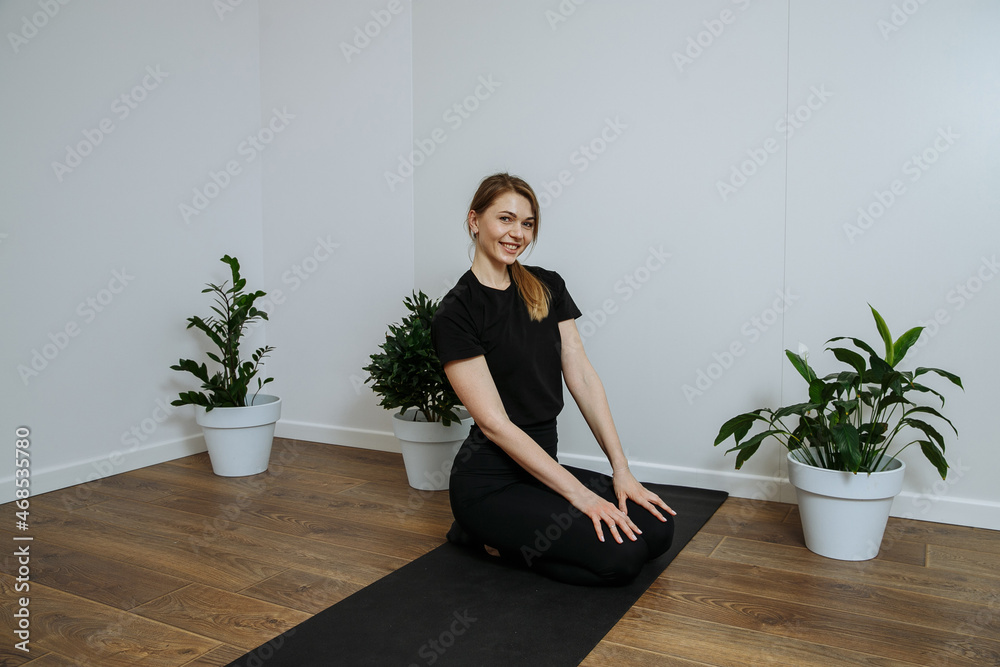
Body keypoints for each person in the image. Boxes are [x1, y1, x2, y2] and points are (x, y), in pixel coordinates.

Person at [430, 173, 676, 586]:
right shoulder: (457, 312)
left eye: (527, 223)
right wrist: (581, 496)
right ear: (475, 220)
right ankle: (484, 533)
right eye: (505, 219)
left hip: (543, 466)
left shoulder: (546, 285)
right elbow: (494, 423)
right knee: (624, 558)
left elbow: (580, 374)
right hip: (490, 484)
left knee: (658, 530)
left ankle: (516, 530)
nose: (517, 233)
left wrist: (621, 471)